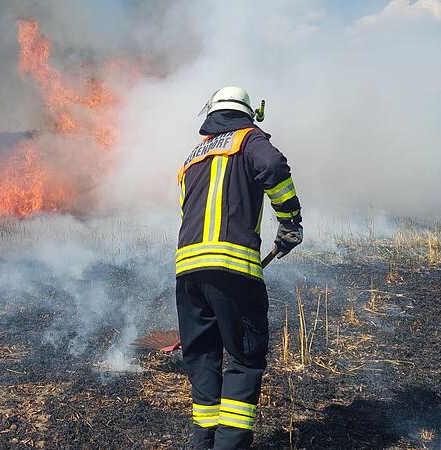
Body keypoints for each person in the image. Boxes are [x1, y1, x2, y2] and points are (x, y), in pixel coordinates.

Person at [175, 86, 303, 449]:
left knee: (202, 360)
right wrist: (290, 220)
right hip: (234, 270)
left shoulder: (193, 157)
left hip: (188, 273)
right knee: (245, 360)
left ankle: (205, 443)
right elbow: (274, 167)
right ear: (248, 113)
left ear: (212, 114)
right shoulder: (249, 139)